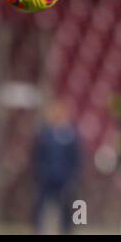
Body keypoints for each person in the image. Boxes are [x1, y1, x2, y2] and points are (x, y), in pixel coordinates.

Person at [32, 99, 82, 234]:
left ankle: (66, 230)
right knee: (42, 207)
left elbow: (76, 158)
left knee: (66, 207)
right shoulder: (45, 135)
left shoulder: (71, 135)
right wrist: (40, 173)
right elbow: (38, 155)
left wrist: (72, 176)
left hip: (64, 179)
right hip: (47, 178)